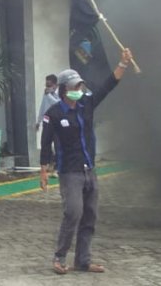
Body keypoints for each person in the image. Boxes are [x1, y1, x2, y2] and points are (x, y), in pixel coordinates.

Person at [40, 48, 134, 275]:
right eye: (74, 87)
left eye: (80, 86)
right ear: (64, 90)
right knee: (73, 212)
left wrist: (122, 63)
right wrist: (43, 171)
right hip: (69, 172)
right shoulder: (53, 113)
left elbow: (107, 86)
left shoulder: (86, 105)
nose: (79, 90)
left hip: (89, 170)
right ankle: (59, 257)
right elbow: (45, 143)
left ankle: (83, 260)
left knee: (90, 215)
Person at [36, 74, 60, 151]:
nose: (47, 87)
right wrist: (38, 121)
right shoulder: (46, 94)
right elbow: (43, 107)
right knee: (45, 143)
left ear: (55, 85)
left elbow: (57, 104)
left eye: (49, 85)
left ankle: (58, 160)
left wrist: (49, 95)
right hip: (47, 121)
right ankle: (47, 161)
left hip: (57, 122)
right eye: (46, 85)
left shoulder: (60, 93)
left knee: (58, 144)